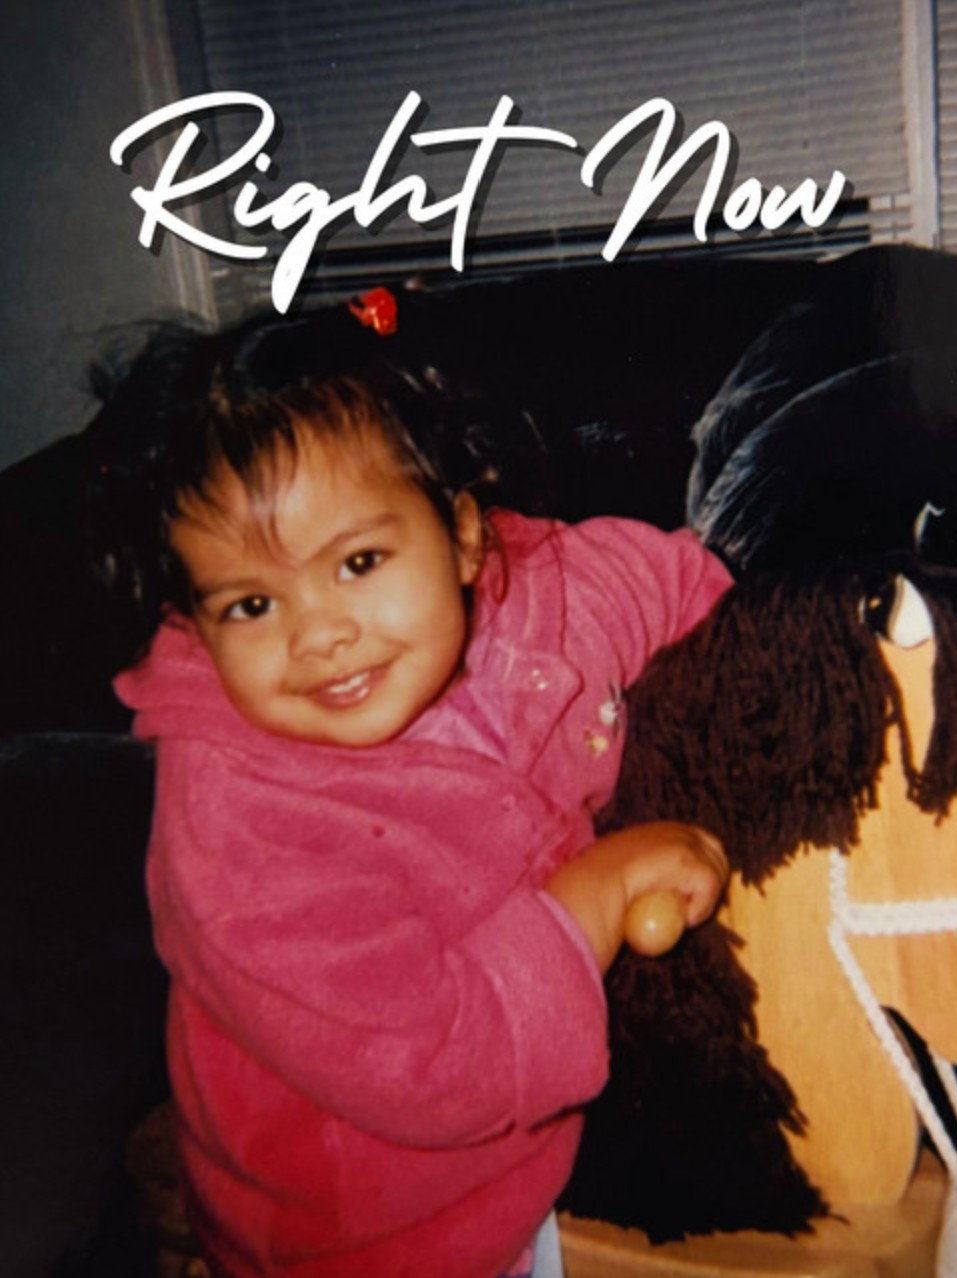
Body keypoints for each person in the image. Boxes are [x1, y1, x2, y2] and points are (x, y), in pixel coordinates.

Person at [90, 293, 732, 1278]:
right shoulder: (238, 824)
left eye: (358, 562)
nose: (318, 634)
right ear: (195, 619)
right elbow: (436, 1062)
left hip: (571, 1126)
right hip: (378, 1233)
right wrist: (602, 885)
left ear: (465, 537)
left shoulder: (545, 590)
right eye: (252, 604)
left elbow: (688, 591)